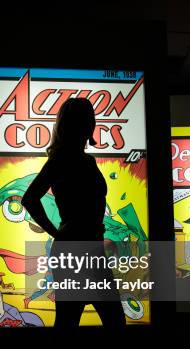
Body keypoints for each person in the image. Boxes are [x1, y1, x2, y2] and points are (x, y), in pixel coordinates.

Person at [21, 97, 125, 331]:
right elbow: (29, 198)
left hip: (84, 248)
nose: (92, 123)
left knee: (73, 320)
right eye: (88, 119)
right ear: (82, 125)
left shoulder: (75, 158)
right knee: (109, 319)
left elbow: (31, 199)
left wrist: (58, 233)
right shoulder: (64, 158)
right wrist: (55, 231)